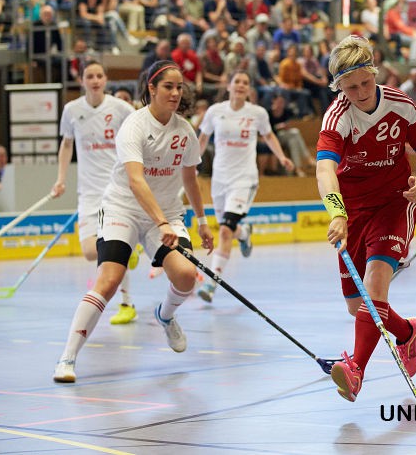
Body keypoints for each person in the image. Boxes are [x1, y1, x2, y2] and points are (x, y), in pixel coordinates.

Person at [53, 60, 214, 383]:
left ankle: (165, 316)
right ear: (151, 89)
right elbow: (136, 181)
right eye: (168, 86)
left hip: (167, 214)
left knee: (185, 276)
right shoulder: (134, 125)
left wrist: (201, 220)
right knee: (109, 281)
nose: (175, 92)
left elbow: (190, 179)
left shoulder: (185, 131)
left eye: (179, 87)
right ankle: (67, 359)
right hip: (121, 209)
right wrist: (161, 224)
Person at [316, 35, 416, 402]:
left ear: (375, 72)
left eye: (366, 82)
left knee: (376, 287)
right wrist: (337, 213)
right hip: (353, 211)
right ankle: (406, 333)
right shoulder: (337, 115)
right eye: (351, 88)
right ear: (339, 87)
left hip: (393, 204)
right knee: (359, 306)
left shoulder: (401, 105)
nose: (362, 92)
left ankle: (355, 370)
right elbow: (325, 170)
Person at [52, 61, 140, 327]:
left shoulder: (121, 108)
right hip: (88, 192)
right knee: (91, 252)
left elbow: (141, 133)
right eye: (90, 76)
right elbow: (66, 145)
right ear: (82, 81)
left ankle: (126, 303)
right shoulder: (71, 110)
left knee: (110, 250)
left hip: (116, 189)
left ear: (105, 79)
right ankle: (129, 252)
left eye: (99, 75)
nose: (95, 80)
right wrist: (60, 180)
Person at [195, 71, 294, 303]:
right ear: (228, 86)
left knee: (225, 230)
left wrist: (281, 157)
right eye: (237, 81)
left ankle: (212, 282)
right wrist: (193, 164)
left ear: (249, 89)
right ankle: (245, 233)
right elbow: (202, 139)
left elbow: (269, 136)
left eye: (245, 83)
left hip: (244, 178)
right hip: (220, 180)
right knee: (227, 227)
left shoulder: (257, 113)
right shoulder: (215, 111)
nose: (240, 85)